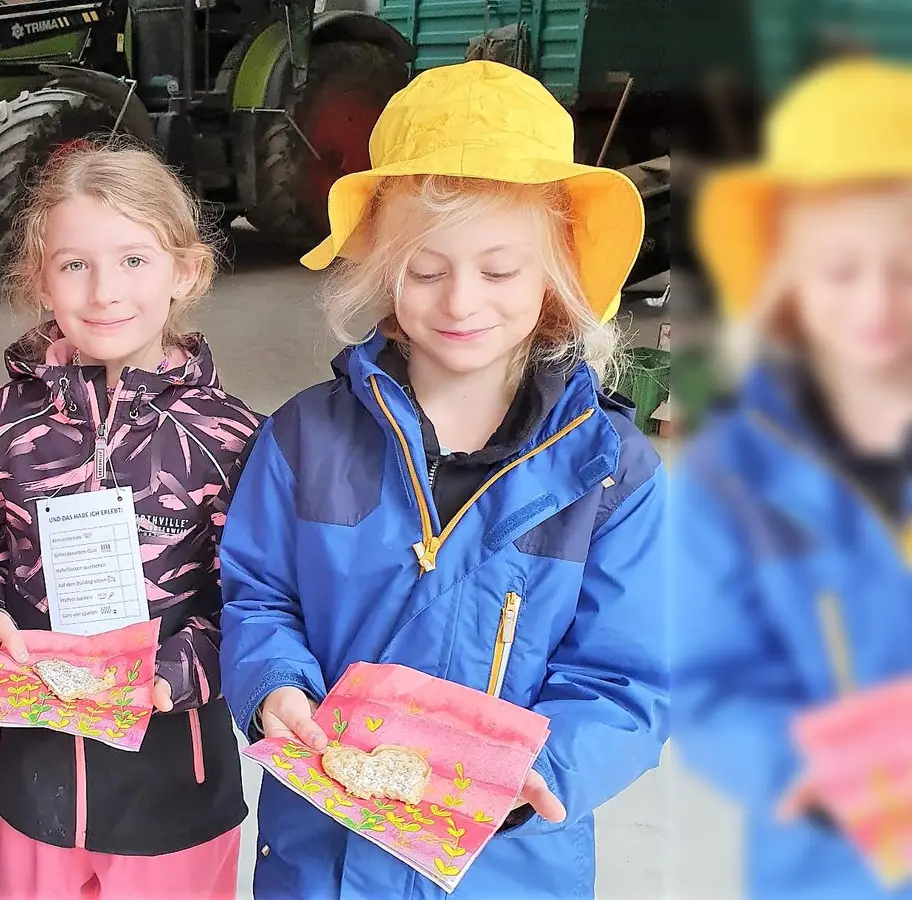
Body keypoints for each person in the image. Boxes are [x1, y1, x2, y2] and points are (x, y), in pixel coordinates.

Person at [218, 60, 669, 899]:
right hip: (324, 861)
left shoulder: (610, 473)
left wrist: (545, 773)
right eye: (426, 271)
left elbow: (624, 678)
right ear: (382, 270)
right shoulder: (302, 440)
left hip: (507, 869)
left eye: (499, 272)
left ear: (556, 274)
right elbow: (259, 597)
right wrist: (273, 682)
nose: (461, 302)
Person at [0, 139, 260, 899]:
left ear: (186, 271)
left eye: (134, 260)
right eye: (74, 264)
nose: (104, 291)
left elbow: (253, 606)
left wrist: (175, 672)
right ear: (40, 279)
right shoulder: (6, 419)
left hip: (172, 787)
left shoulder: (232, 436)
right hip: (34, 779)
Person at [672, 58, 912, 899]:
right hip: (826, 861)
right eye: (841, 270)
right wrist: (791, 768)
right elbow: (706, 676)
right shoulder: (735, 473)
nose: (877, 302)